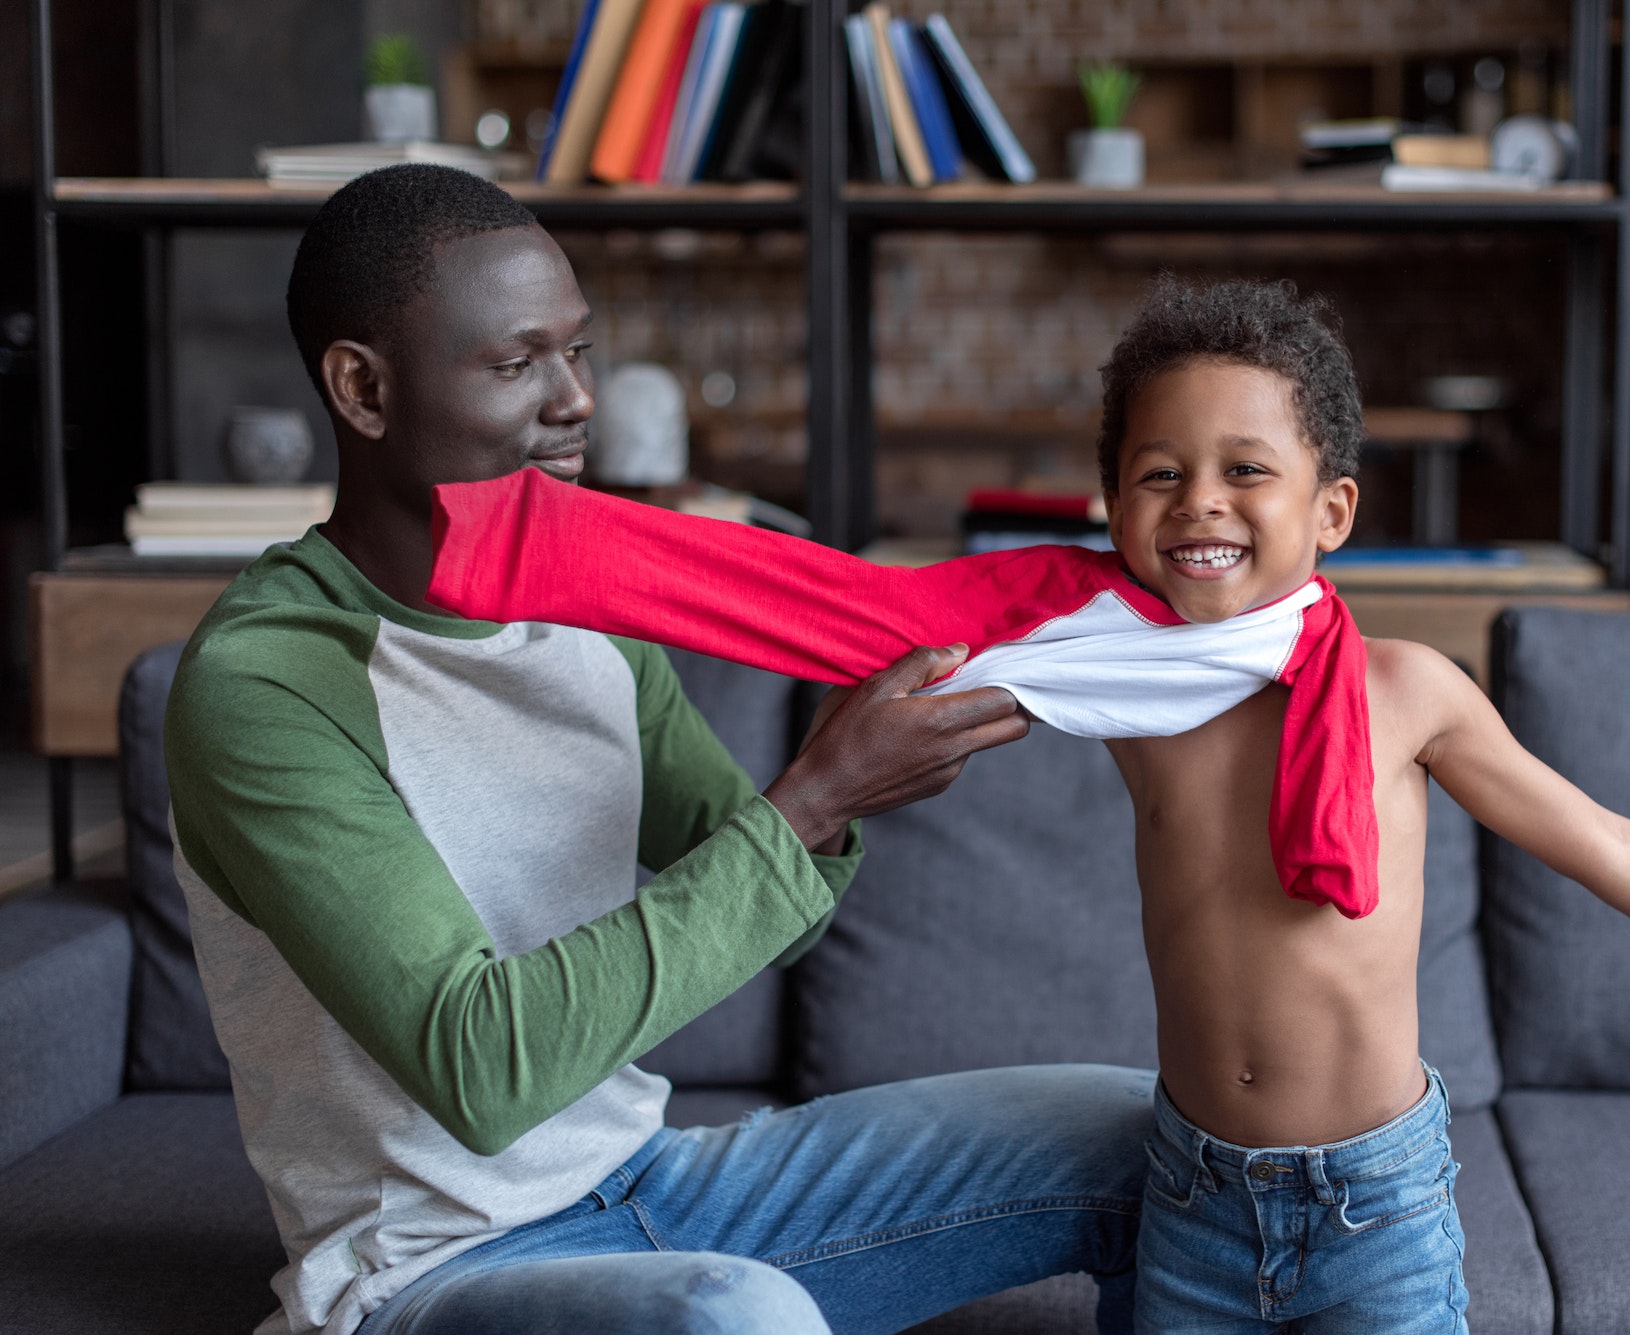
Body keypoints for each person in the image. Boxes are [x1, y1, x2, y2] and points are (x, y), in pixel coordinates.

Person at [427, 276, 1630, 1334]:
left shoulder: (1404, 689)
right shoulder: (1111, 667)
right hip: (1189, 1194)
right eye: (1159, 472)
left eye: (1247, 470)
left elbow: (1610, 845)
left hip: (1381, 1204)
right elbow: (854, 616)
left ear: (1331, 509)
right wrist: (546, 551)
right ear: (1112, 509)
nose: (1201, 500)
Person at [164, 163, 1158, 1335]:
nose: (575, 398)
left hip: (648, 1184)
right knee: (733, 1316)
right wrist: (813, 796)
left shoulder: (584, 602)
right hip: (432, 1272)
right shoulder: (269, 683)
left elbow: (773, 894)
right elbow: (482, 1070)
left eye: (576, 352)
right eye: (516, 361)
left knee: (1151, 1134)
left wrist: (879, 739)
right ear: (363, 390)